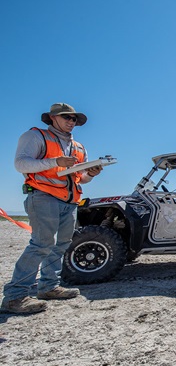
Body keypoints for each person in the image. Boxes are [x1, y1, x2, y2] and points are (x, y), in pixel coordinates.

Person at [1, 103, 103, 314]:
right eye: (67, 117)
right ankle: (15, 296)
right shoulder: (36, 136)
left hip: (70, 201)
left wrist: (91, 173)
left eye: (74, 119)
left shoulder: (79, 147)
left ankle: (48, 287)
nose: (71, 122)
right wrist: (55, 161)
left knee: (62, 244)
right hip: (43, 197)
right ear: (52, 118)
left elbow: (80, 179)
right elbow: (21, 164)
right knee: (41, 243)